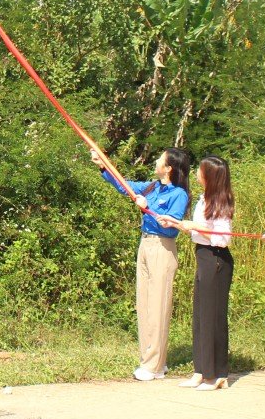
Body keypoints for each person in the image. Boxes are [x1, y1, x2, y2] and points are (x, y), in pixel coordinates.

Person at [90, 147, 192, 381]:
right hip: (145, 245)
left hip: (162, 247)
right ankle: (151, 360)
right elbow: (123, 185)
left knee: (158, 305)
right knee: (145, 304)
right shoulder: (152, 187)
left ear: (168, 168)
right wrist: (102, 165)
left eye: (159, 159)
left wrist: (148, 207)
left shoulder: (179, 194)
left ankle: (154, 365)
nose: (155, 161)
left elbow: (171, 223)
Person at [159, 155, 235, 390]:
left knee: (214, 317)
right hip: (203, 256)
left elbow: (223, 239)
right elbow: (200, 231)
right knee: (201, 315)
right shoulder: (204, 199)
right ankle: (201, 370)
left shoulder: (221, 202)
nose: (196, 174)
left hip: (216, 260)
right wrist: (178, 223)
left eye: (200, 171)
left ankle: (217, 374)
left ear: (210, 176)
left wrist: (194, 226)